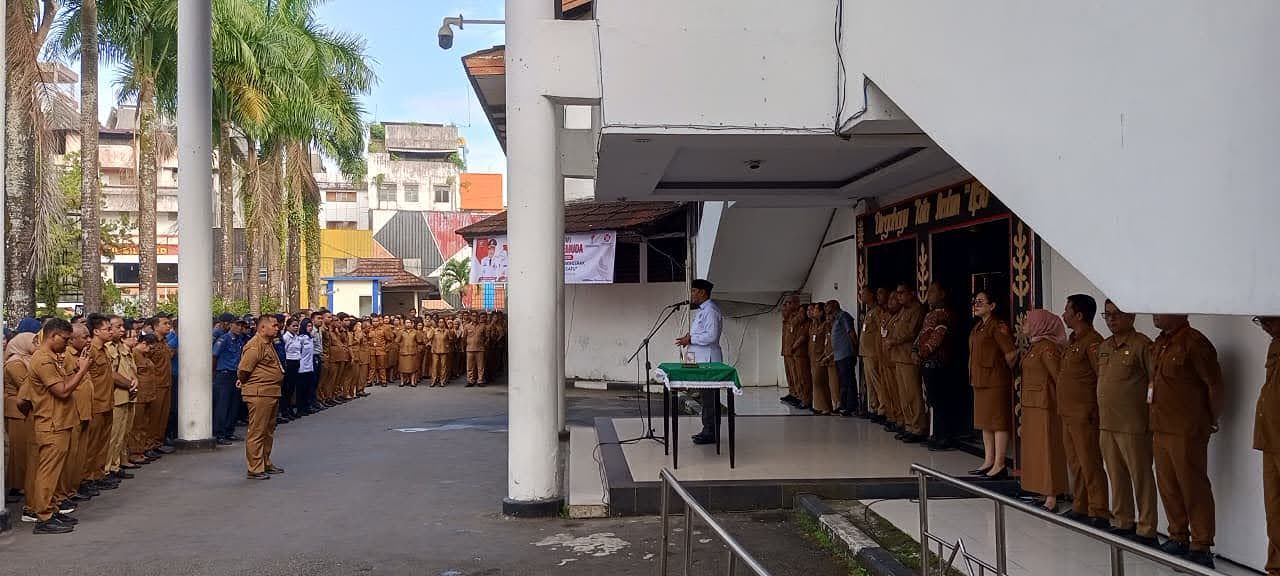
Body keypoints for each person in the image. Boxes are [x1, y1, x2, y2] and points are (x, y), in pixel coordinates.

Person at [1150, 314, 1222, 567]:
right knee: (1168, 485)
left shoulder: (1195, 343)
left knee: (1193, 486)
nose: (1154, 314)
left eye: (1161, 309)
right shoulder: (1160, 342)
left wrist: (1212, 417)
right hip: (1161, 426)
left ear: (1178, 312)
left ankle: (1201, 545)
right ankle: (1178, 535)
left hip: (1186, 428)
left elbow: (1213, 384)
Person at [1096, 300, 1158, 547]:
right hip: (1107, 422)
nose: (1111, 320)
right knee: (1116, 475)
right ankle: (1123, 521)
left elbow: (1155, 381)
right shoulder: (1104, 346)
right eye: (1107, 315)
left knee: (1140, 476)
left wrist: (1151, 414)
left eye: (1117, 315)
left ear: (1131, 316)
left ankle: (1147, 528)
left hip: (1133, 423)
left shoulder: (1142, 345)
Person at [27, 318, 91, 534]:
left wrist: (76, 370)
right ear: (52, 336)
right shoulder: (43, 360)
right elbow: (62, 391)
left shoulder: (53, 357)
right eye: (64, 339)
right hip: (51, 422)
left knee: (55, 472)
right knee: (48, 472)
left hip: (60, 421)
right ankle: (43, 517)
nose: (67, 344)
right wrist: (82, 370)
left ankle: (51, 510)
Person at [1058, 294, 1110, 528]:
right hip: (1068, 412)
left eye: (1067, 310)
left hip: (1084, 413)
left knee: (1090, 461)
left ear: (1079, 315)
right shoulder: (1072, 341)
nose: (1064, 314)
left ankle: (1099, 510)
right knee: (1075, 462)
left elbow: (1102, 377)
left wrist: (1096, 409)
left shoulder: (1093, 342)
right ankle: (1080, 505)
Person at [1018, 309, 1070, 511]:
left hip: (1046, 406)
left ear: (1040, 324)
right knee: (1036, 451)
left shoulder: (1047, 348)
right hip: (1033, 405)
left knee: (1048, 450)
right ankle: (1041, 489)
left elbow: (1058, 377)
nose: (1024, 325)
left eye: (1028, 322)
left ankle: (1052, 496)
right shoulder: (1035, 346)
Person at [969, 290, 1016, 479]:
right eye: (975, 301)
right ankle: (988, 461)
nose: (976, 304)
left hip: (995, 381)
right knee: (985, 423)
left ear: (992, 306)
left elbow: (1011, 354)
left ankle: (1000, 464)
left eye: (981, 301)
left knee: (998, 423)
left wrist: (1003, 370)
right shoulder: (978, 327)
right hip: (980, 380)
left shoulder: (998, 326)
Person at [675, 279, 723, 445]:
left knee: (710, 398)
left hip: (709, 360)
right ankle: (707, 429)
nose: (692, 294)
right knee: (705, 397)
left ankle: (711, 431)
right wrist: (690, 339)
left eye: (694, 291)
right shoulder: (703, 310)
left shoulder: (711, 310)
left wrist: (691, 339)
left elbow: (712, 336)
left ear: (703, 292)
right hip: (701, 360)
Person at [237, 315, 285, 481]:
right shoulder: (255, 346)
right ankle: (255, 468)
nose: (277, 328)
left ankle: (265, 461)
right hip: (259, 393)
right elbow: (243, 370)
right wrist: (244, 382)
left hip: (271, 392)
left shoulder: (269, 344)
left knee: (268, 430)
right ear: (262, 328)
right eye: (274, 325)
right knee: (257, 431)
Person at [1253, 315, 1280, 575]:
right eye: (1260, 321)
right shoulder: (1275, 343)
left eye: (1269, 320)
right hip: (1270, 440)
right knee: (1273, 511)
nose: (1265, 327)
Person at [916, 281, 957, 451]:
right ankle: (935, 434)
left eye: (933, 291)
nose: (929, 295)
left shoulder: (944, 315)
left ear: (942, 294)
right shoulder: (929, 315)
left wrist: (923, 351)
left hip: (938, 363)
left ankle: (944, 436)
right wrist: (915, 349)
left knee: (941, 401)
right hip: (928, 362)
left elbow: (937, 337)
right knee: (933, 400)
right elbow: (922, 334)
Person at [886, 283, 927, 443]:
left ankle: (918, 427)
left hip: (909, 358)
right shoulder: (902, 311)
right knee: (903, 395)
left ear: (911, 293)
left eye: (902, 293)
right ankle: (909, 425)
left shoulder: (917, 309)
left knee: (913, 394)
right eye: (897, 293)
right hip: (898, 357)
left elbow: (912, 332)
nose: (899, 296)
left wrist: (894, 341)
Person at [4, 333, 36, 503]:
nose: (36, 344)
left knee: (24, 449)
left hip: (23, 407)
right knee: (19, 450)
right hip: (16, 409)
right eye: (33, 342)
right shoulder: (15, 363)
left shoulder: (25, 359)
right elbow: (25, 385)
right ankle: (18, 486)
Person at [212, 320, 246, 445]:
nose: (239, 327)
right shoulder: (224, 339)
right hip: (224, 373)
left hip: (235, 374)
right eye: (237, 324)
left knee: (234, 404)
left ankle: (229, 431)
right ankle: (219, 433)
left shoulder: (239, 340)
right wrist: (214, 373)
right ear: (230, 325)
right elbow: (214, 356)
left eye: (241, 325)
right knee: (222, 405)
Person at [877, 288, 904, 433]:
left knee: (900, 392)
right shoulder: (887, 316)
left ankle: (902, 420)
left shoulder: (901, 315)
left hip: (896, 359)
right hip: (885, 359)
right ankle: (892, 416)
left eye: (894, 299)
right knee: (889, 391)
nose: (891, 302)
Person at [858, 287, 885, 423]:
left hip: (873, 352)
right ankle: (873, 408)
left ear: (871, 294)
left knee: (877, 381)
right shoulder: (868, 311)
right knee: (869, 383)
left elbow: (881, 331)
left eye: (863, 294)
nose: (861, 296)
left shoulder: (877, 311)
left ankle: (882, 408)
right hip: (865, 353)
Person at [828, 300, 859, 416]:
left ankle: (851, 406)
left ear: (835, 305)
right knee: (843, 382)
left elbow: (850, 332)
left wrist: (856, 348)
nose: (826, 308)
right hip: (839, 355)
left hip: (846, 354)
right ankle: (844, 405)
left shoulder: (843, 316)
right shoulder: (835, 319)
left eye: (828, 305)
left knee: (849, 381)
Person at [809, 303, 835, 415]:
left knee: (819, 381)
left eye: (815, 310)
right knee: (815, 382)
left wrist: (825, 355)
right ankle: (819, 405)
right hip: (813, 356)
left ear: (821, 312)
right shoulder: (814, 325)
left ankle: (826, 406)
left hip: (821, 356)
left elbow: (827, 342)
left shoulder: (826, 325)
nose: (813, 312)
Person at [463, 314, 490, 387]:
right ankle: (470, 381)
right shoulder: (467, 326)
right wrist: (467, 344)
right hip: (469, 349)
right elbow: (464, 337)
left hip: (480, 349)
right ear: (471, 317)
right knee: (470, 366)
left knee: (480, 366)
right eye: (473, 316)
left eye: (476, 316)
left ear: (478, 317)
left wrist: (484, 344)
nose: (475, 318)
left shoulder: (482, 326)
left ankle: (480, 380)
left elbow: (487, 337)